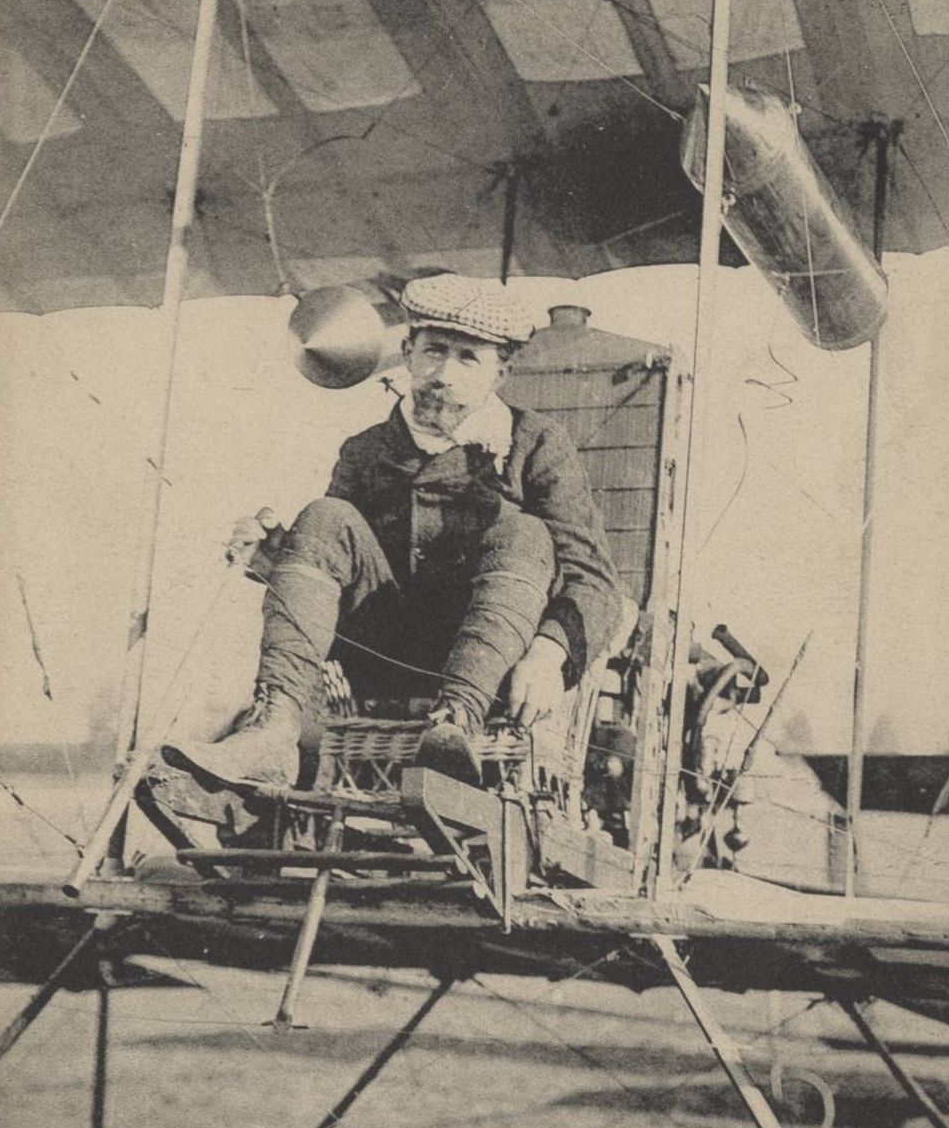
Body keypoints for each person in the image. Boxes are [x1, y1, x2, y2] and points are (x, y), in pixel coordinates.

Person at [166, 274, 622, 788]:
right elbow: (334, 564)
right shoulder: (366, 449)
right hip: (381, 655)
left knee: (525, 533)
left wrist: (549, 654)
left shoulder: (535, 445)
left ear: (502, 371)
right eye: (433, 351)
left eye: (468, 358)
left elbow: (595, 581)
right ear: (407, 352)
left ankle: (454, 730)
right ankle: (274, 730)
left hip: (492, 665)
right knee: (323, 517)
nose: (443, 373)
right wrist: (273, 556)